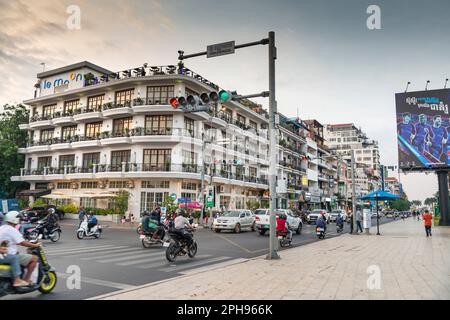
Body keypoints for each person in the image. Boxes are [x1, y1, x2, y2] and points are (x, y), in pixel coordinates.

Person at [0, 211, 41, 284]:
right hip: (7, 254)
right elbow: (22, 242)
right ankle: (25, 279)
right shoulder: (11, 229)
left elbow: (10, 242)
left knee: (19, 254)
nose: (19, 220)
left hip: (2, 253)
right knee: (35, 258)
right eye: (18, 218)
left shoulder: (2, 227)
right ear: (14, 219)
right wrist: (36, 245)